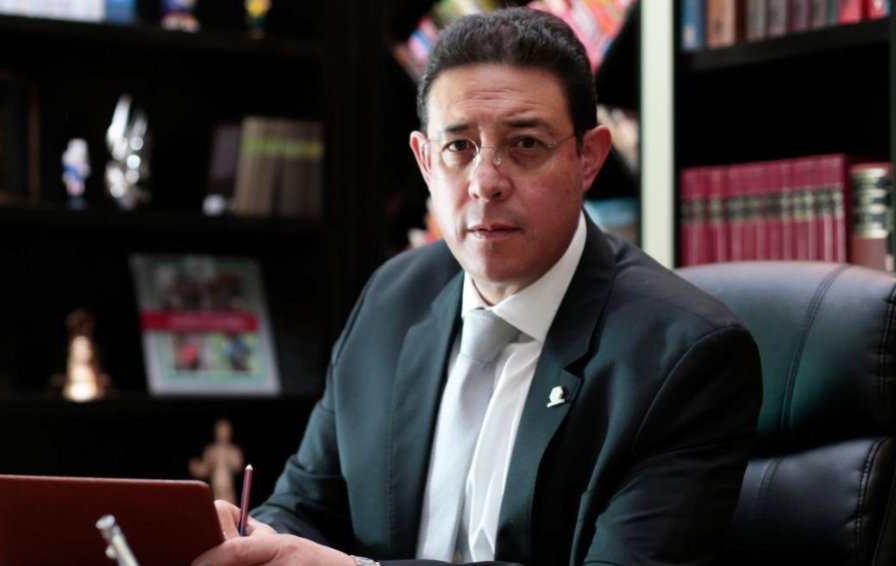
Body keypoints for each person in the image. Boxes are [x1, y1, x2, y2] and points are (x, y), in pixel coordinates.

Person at [194, 8, 762, 566]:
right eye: (459, 147)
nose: (485, 183)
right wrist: (254, 543)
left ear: (587, 159)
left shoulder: (683, 357)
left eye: (526, 144)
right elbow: (306, 507)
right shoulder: (394, 298)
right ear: (425, 162)